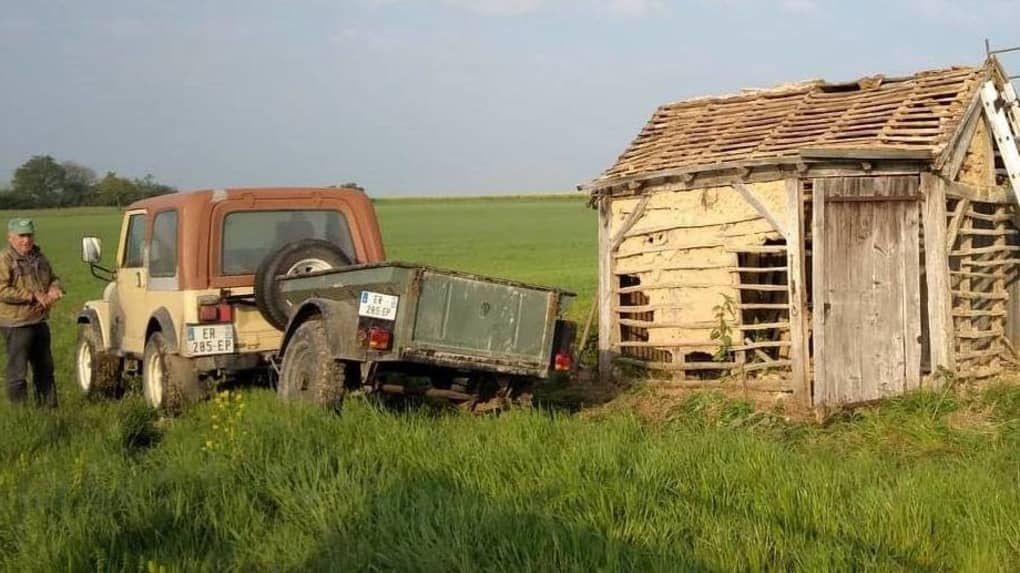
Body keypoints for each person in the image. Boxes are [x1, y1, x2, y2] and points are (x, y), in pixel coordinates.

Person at [0, 218, 63, 407]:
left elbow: (54, 278)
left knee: (45, 369)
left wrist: (54, 288)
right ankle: (22, 415)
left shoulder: (39, 257)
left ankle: (48, 410)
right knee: (18, 373)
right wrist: (33, 296)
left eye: (29, 235)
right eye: (21, 236)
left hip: (39, 321)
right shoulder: (5, 259)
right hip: (16, 323)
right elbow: (1, 289)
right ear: (10, 237)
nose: (26, 240)